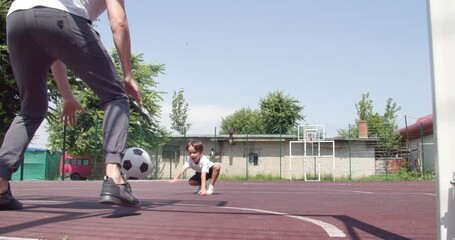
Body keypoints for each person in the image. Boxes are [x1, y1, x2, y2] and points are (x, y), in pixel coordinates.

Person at [1, 0, 143, 210]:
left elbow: (56, 52)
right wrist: (128, 75)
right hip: (58, 16)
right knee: (116, 97)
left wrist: (67, 96)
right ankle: (114, 178)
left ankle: (1, 186)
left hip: (16, 17)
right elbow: (119, 22)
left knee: (31, 109)